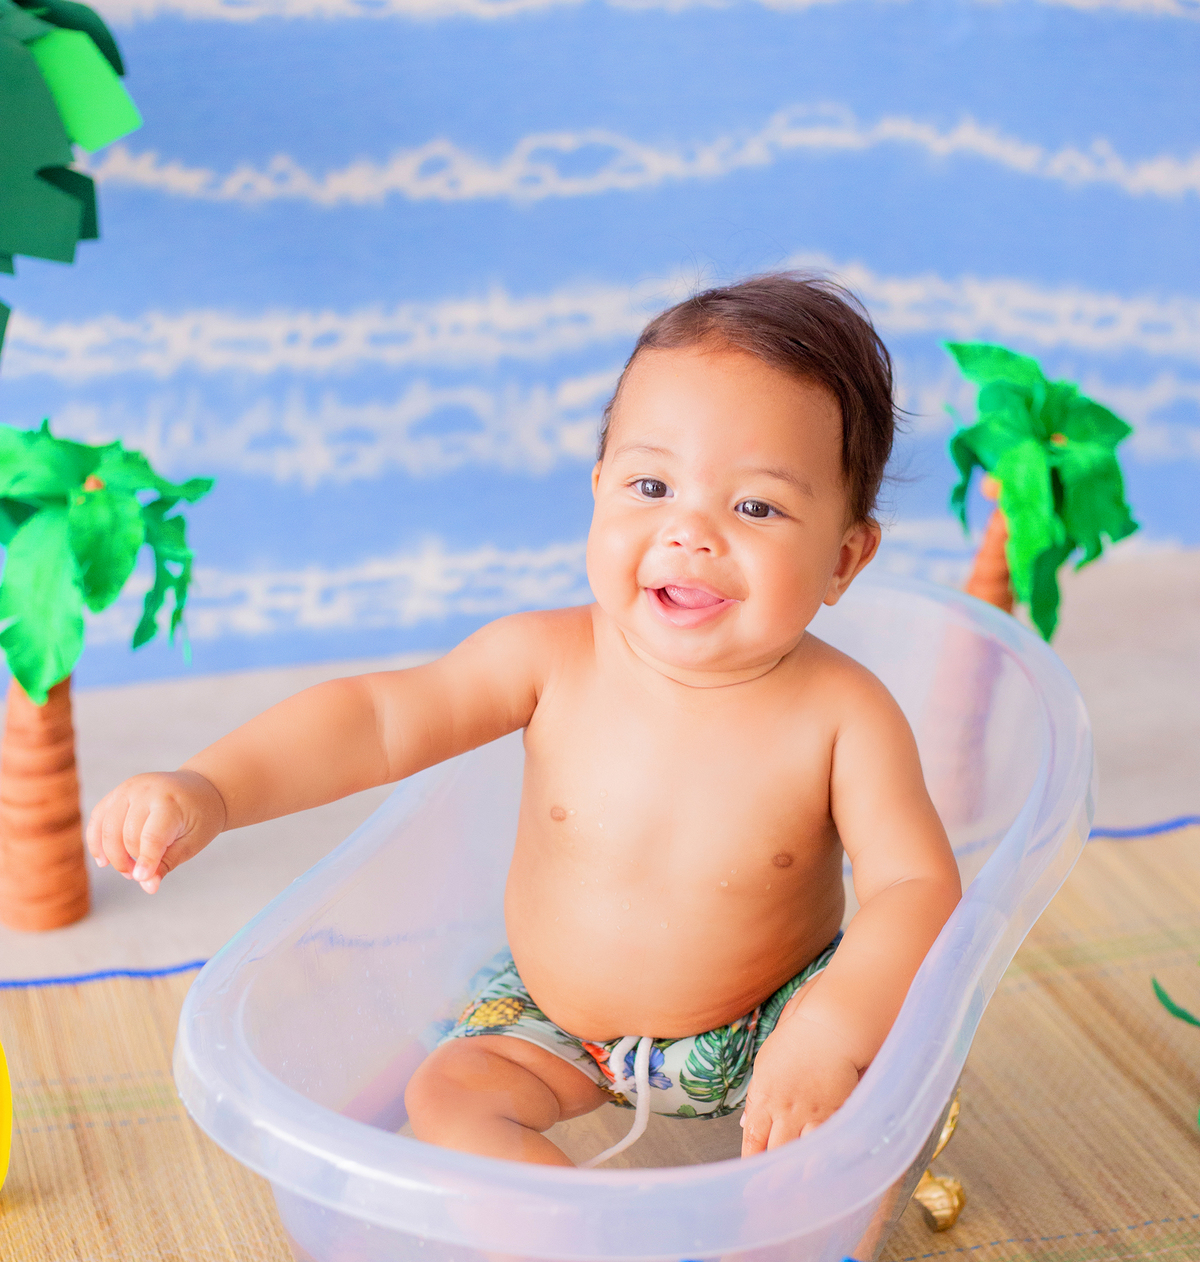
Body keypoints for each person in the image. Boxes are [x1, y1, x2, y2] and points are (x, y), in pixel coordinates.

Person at [89, 273, 960, 1172]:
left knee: (869, 1104)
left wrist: (832, 1032)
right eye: (652, 484)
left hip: (772, 1017)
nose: (690, 533)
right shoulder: (547, 660)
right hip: (559, 1024)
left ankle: (797, 1231)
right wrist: (212, 788)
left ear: (844, 559)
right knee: (448, 1095)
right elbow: (378, 718)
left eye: (756, 507)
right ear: (598, 490)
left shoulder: (842, 714)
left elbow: (914, 887)